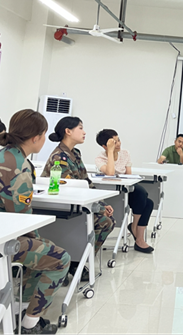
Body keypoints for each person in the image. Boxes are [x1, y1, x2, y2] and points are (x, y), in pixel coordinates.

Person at [0, 109, 70, 335]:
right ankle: (29, 325)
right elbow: (21, 218)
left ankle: (20, 310)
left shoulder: (2, 154)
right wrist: (39, 242)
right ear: (36, 137)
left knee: (42, 249)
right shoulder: (18, 165)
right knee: (59, 259)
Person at [41, 117, 115, 281]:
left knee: (107, 219)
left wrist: (102, 204)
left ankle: (77, 262)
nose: (84, 132)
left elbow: (86, 183)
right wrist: (99, 209)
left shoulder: (75, 154)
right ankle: (76, 263)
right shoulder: (59, 157)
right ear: (68, 131)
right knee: (105, 222)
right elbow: (70, 190)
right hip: (62, 208)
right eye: (80, 128)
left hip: (76, 205)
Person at [95, 129, 155, 254]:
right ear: (105, 146)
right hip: (112, 193)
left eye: (118, 140)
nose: (118, 144)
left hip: (126, 189)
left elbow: (129, 176)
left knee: (148, 202)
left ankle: (137, 234)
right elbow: (110, 173)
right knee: (142, 194)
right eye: (114, 142)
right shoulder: (100, 158)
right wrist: (110, 152)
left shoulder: (125, 153)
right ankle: (137, 235)